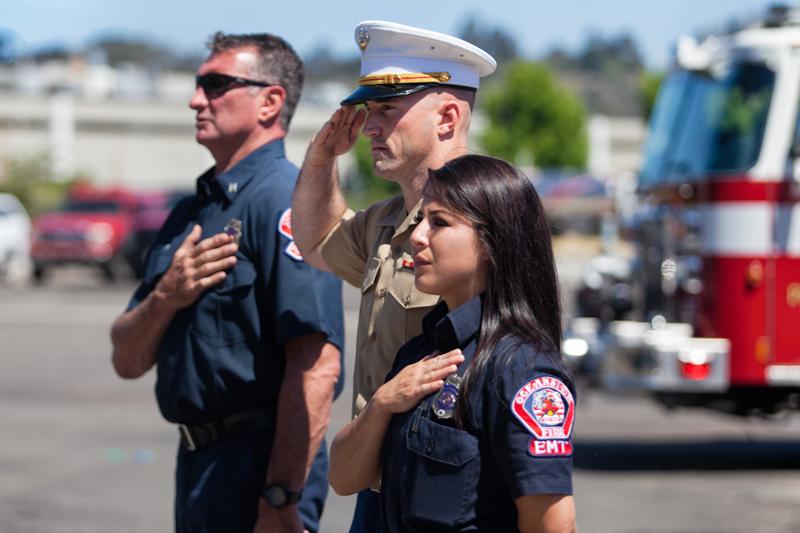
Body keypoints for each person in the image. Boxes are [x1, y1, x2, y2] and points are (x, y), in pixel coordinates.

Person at [110, 32, 343, 533]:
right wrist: (167, 297)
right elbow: (126, 358)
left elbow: (317, 365)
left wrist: (281, 497)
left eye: (216, 85)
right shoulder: (192, 212)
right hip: (198, 463)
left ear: (270, 102)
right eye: (198, 85)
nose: (197, 100)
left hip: (258, 465)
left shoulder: (286, 202)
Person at [291, 21, 496, 531]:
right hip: (379, 487)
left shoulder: (490, 221)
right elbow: (315, 241)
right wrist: (321, 158)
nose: (371, 128)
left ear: (448, 117)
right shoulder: (386, 220)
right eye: (369, 112)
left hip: (448, 493)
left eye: (387, 110)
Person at [328, 155, 577, 532]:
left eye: (439, 222)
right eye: (421, 219)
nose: (417, 235)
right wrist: (381, 404)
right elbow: (344, 479)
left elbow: (552, 526)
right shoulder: (420, 353)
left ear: (494, 242)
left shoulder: (519, 369)